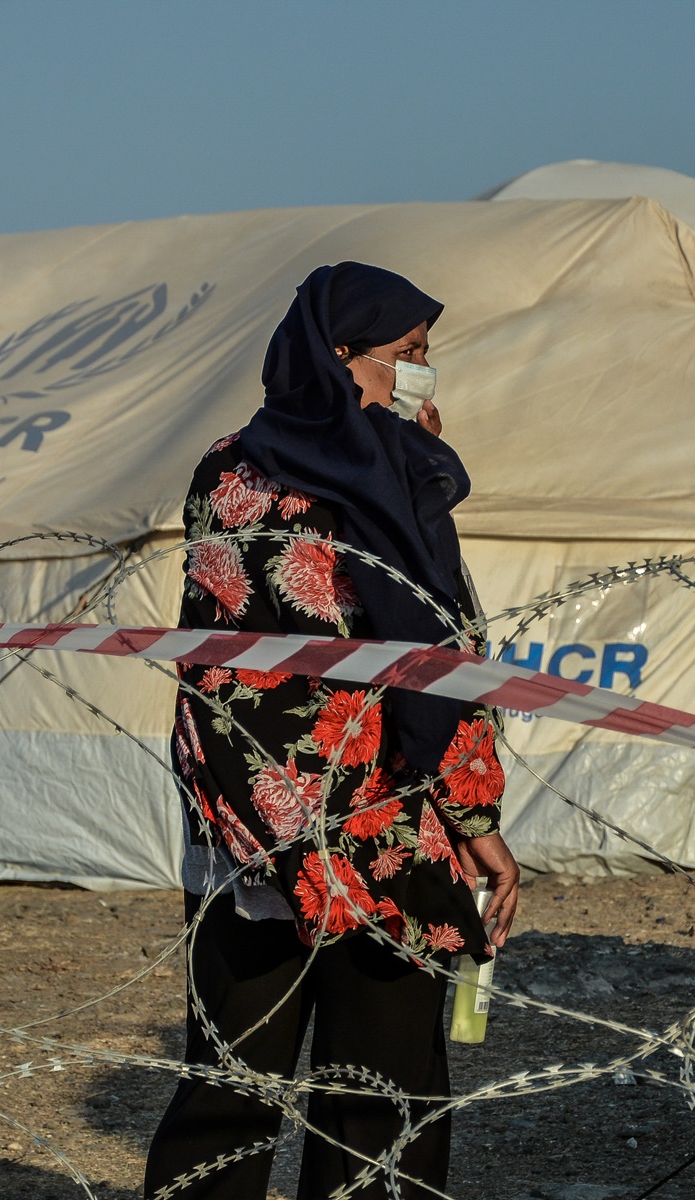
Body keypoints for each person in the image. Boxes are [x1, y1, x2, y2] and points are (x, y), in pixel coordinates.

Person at [145, 262, 520, 1200]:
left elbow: (220, 659)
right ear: (340, 357)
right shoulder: (388, 475)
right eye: (404, 357)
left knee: (231, 1088)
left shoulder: (225, 469)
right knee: (376, 1098)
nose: (418, 378)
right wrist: (475, 818)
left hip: (245, 822)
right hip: (382, 825)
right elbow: (437, 658)